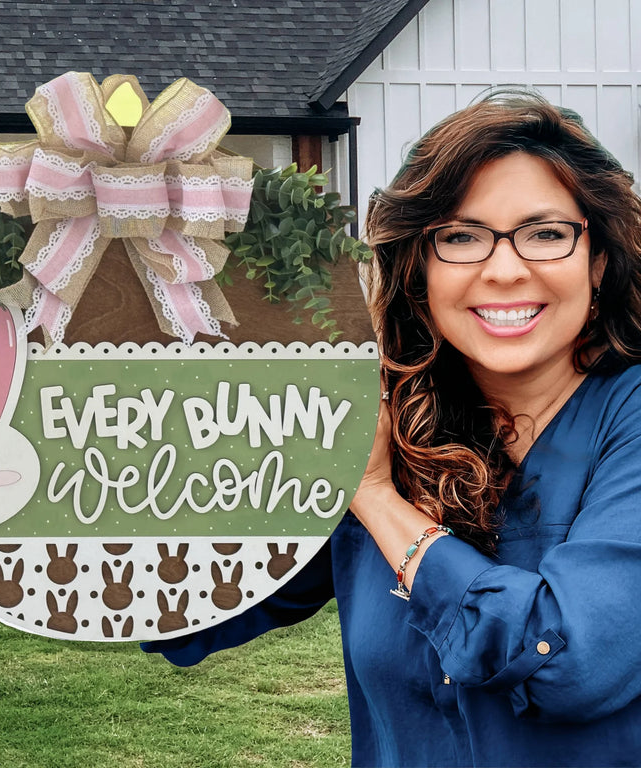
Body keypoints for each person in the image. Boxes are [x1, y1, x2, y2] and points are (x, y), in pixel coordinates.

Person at [142, 91, 641, 767]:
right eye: (460, 237)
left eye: (546, 233)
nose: (503, 269)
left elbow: (571, 661)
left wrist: (378, 498)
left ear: (599, 259)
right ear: (420, 269)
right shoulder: (385, 421)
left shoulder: (626, 421)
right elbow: (191, 608)